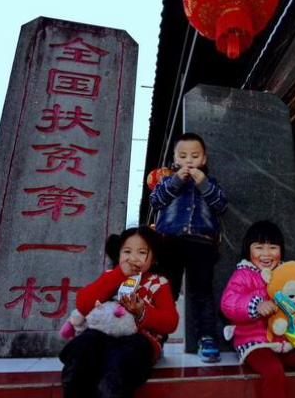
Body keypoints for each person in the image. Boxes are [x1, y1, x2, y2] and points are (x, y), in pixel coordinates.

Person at [221, 220, 295, 398]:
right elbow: (229, 302)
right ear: (248, 249)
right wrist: (256, 305)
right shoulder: (243, 274)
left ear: (281, 250)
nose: (266, 254)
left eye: (273, 247)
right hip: (255, 342)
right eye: (259, 247)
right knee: (273, 370)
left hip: (290, 342)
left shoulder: (289, 272)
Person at [59, 226, 178, 398]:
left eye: (141, 252)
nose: (132, 258)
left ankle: (109, 389)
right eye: (127, 251)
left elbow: (170, 322)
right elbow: (83, 304)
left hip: (140, 339)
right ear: (118, 255)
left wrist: (142, 312)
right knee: (84, 346)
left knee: (120, 364)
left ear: (153, 259)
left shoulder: (158, 283)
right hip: (101, 335)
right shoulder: (110, 275)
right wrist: (117, 275)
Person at [149, 132, 227, 362]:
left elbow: (221, 205)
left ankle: (207, 338)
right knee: (166, 291)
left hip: (202, 244)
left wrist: (203, 183)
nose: (189, 160)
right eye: (183, 156)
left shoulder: (211, 183)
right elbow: (156, 201)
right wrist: (175, 181)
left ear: (203, 159)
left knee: (202, 292)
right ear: (174, 159)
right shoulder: (166, 181)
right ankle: (156, 336)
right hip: (170, 242)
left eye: (194, 155)